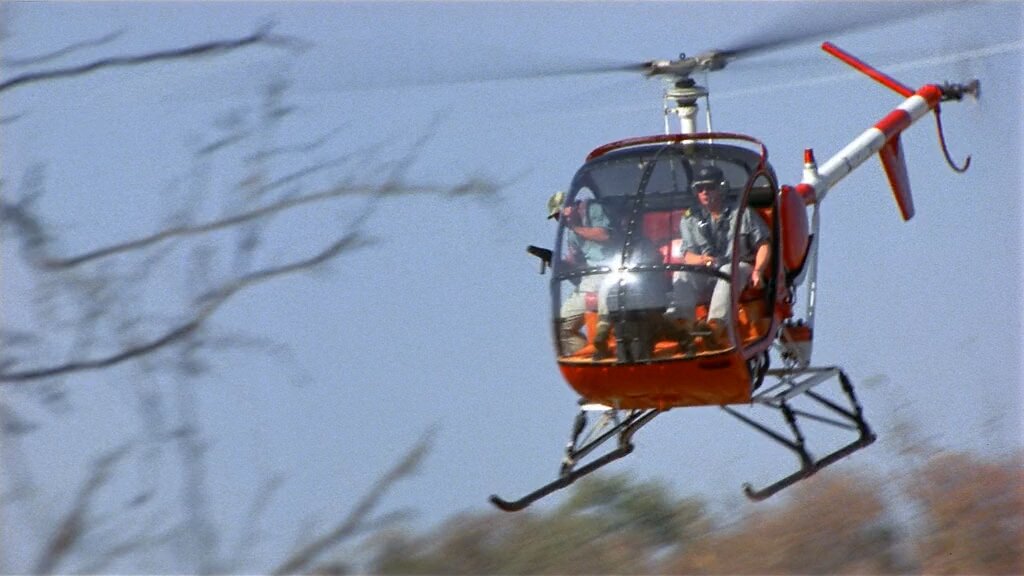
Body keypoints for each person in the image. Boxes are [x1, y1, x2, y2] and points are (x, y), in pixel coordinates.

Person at [671, 165, 770, 348]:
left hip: (739, 268)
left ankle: (714, 327)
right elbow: (687, 254)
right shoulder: (689, 219)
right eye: (700, 188)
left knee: (727, 270)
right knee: (682, 273)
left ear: (721, 187)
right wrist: (701, 260)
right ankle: (681, 324)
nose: (704, 192)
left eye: (710, 187)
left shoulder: (742, 213)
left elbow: (763, 244)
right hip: (707, 270)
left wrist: (758, 270)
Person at [548, 190, 618, 356]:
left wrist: (576, 227)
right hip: (591, 279)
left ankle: (605, 336)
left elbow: (605, 235)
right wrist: (555, 261)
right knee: (560, 327)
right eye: (556, 218)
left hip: (616, 270)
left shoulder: (594, 209)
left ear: (571, 207)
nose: (559, 221)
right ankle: (588, 355)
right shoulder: (573, 233)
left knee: (607, 292)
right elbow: (575, 264)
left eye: (560, 215)